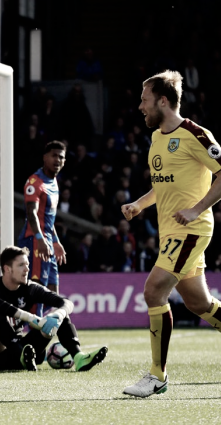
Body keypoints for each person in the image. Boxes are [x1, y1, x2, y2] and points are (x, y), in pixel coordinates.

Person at [121, 70, 221, 398]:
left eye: (145, 100)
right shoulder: (158, 138)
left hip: (191, 229)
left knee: (153, 291)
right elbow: (163, 185)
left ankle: (156, 376)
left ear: (163, 101)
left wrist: (197, 209)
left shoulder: (195, 134)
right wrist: (140, 203)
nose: (140, 107)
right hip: (171, 233)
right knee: (198, 303)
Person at [0, 246, 108, 372]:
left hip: (18, 352)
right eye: (21, 265)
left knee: (58, 316)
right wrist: (29, 317)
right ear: (7, 269)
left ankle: (79, 357)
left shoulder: (30, 288)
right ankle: (21, 355)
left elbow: (65, 302)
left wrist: (59, 314)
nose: (27, 269)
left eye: (27, 265)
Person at [17, 141, 67, 315]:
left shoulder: (53, 182)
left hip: (47, 241)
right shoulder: (35, 182)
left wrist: (56, 242)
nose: (57, 160)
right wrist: (40, 239)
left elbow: (47, 219)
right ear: (44, 157)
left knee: (54, 294)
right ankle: (30, 333)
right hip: (34, 240)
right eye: (54, 156)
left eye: (61, 157)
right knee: (38, 290)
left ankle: (56, 336)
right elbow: (32, 214)